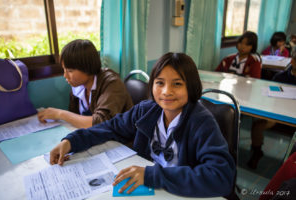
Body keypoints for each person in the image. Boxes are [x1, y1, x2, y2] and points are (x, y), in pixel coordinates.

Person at [49, 52, 236, 197]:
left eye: (177, 84)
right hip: (151, 189)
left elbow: (221, 176)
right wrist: (71, 141)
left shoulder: (201, 121)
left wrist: (152, 175)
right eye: (159, 83)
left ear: (191, 86)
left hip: (181, 191)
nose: (166, 91)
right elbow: (110, 127)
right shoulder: (146, 110)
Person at [37, 39, 133, 128]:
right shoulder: (78, 86)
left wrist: (60, 114)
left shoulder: (112, 83)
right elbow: (75, 117)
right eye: (64, 70)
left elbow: (100, 122)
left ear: (86, 68)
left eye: (70, 71)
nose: (65, 75)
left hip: (122, 141)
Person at [248, 52, 296, 169]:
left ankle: (290, 163)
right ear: (293, 61)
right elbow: (269, 97)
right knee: (258, 125)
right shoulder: (280, 77)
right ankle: (257, 152)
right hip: (278, 114)